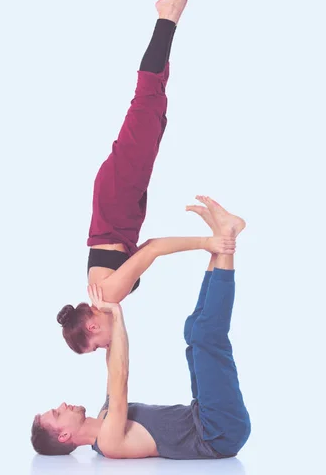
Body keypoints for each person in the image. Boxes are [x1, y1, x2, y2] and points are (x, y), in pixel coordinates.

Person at [56, 0, 235, 354]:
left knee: (148, 102)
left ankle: (166, 17)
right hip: (121, 201)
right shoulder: (105, 293)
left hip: (118, 197)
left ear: (90, 325)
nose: (105, 346)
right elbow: (146, 248)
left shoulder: (107, 295)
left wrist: (207, 243)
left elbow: (152, 248)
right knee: (154, 109)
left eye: (96, 345)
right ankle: (166, 22)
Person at [31, 196, 251, 459]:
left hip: (205, 414)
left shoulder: (105, 416)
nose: (62, 405)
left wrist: (107, 324)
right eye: (57, 413)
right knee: (206, 335)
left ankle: (220, 241)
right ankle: (226, 240)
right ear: (64, 436)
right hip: (218, 432)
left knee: (193, 329)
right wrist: (117, 314)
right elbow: (120, 377)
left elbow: (113, 363)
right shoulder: (109, 441)